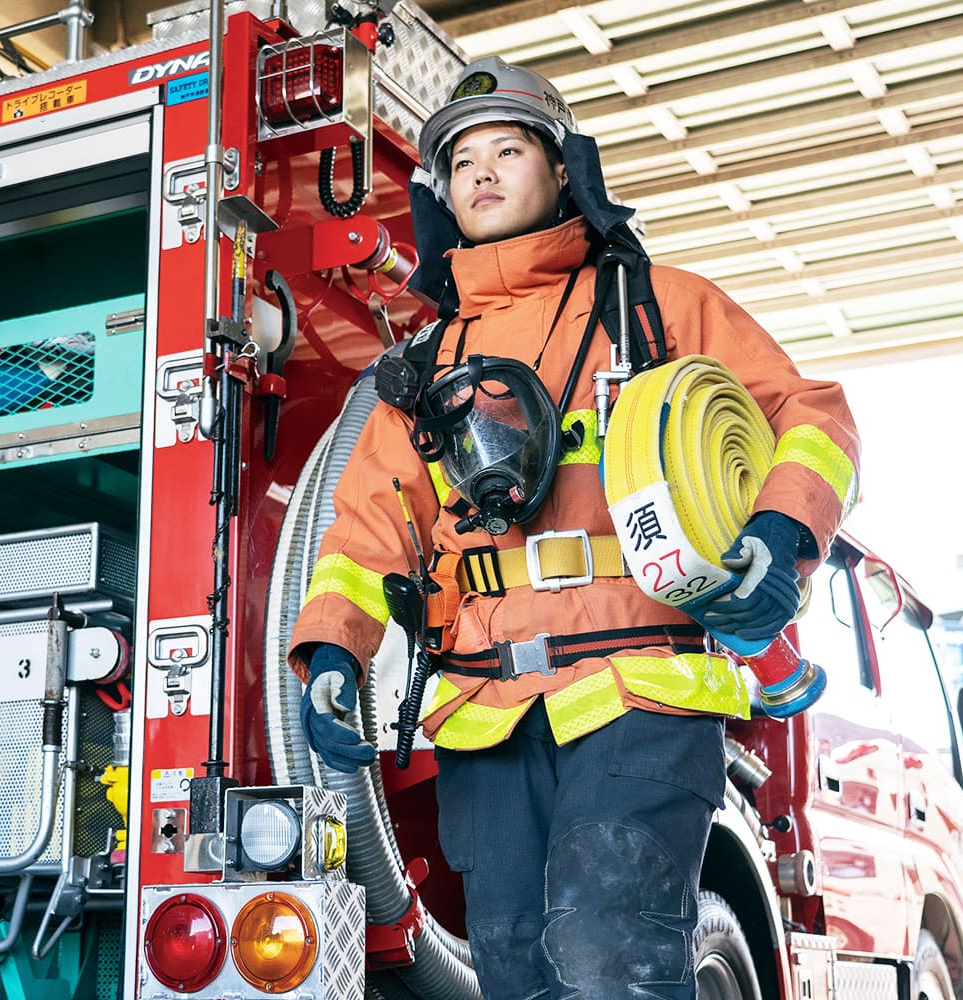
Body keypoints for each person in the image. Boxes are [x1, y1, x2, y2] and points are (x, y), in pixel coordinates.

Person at [287, 56, 860, 999]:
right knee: (517, 976)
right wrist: (335, 656)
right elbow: (365, 540)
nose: (480, 171)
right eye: (459, 160)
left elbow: (812, 414)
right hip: (484, 717)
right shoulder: (421, 371)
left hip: (640, 691)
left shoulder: (657, 306)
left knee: (609, 959)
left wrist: (780, 531)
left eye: (508, 148)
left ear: (565, 172)